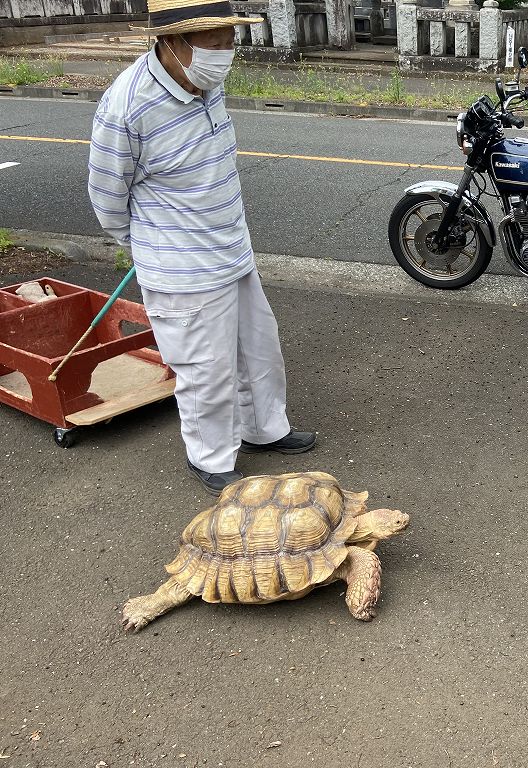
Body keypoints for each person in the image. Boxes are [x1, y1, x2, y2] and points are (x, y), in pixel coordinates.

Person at [87, 0, 315, 496]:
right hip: (181, 266)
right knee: (206, 369)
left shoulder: (206, 82)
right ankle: (210, 457)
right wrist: (154, 246)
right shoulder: (128, 106)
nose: (225, 53)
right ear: (173, 42)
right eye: (214, 43)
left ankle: (265, 429)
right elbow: (106, 197)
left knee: (259, 349)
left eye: (230, 42)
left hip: (232, 247)